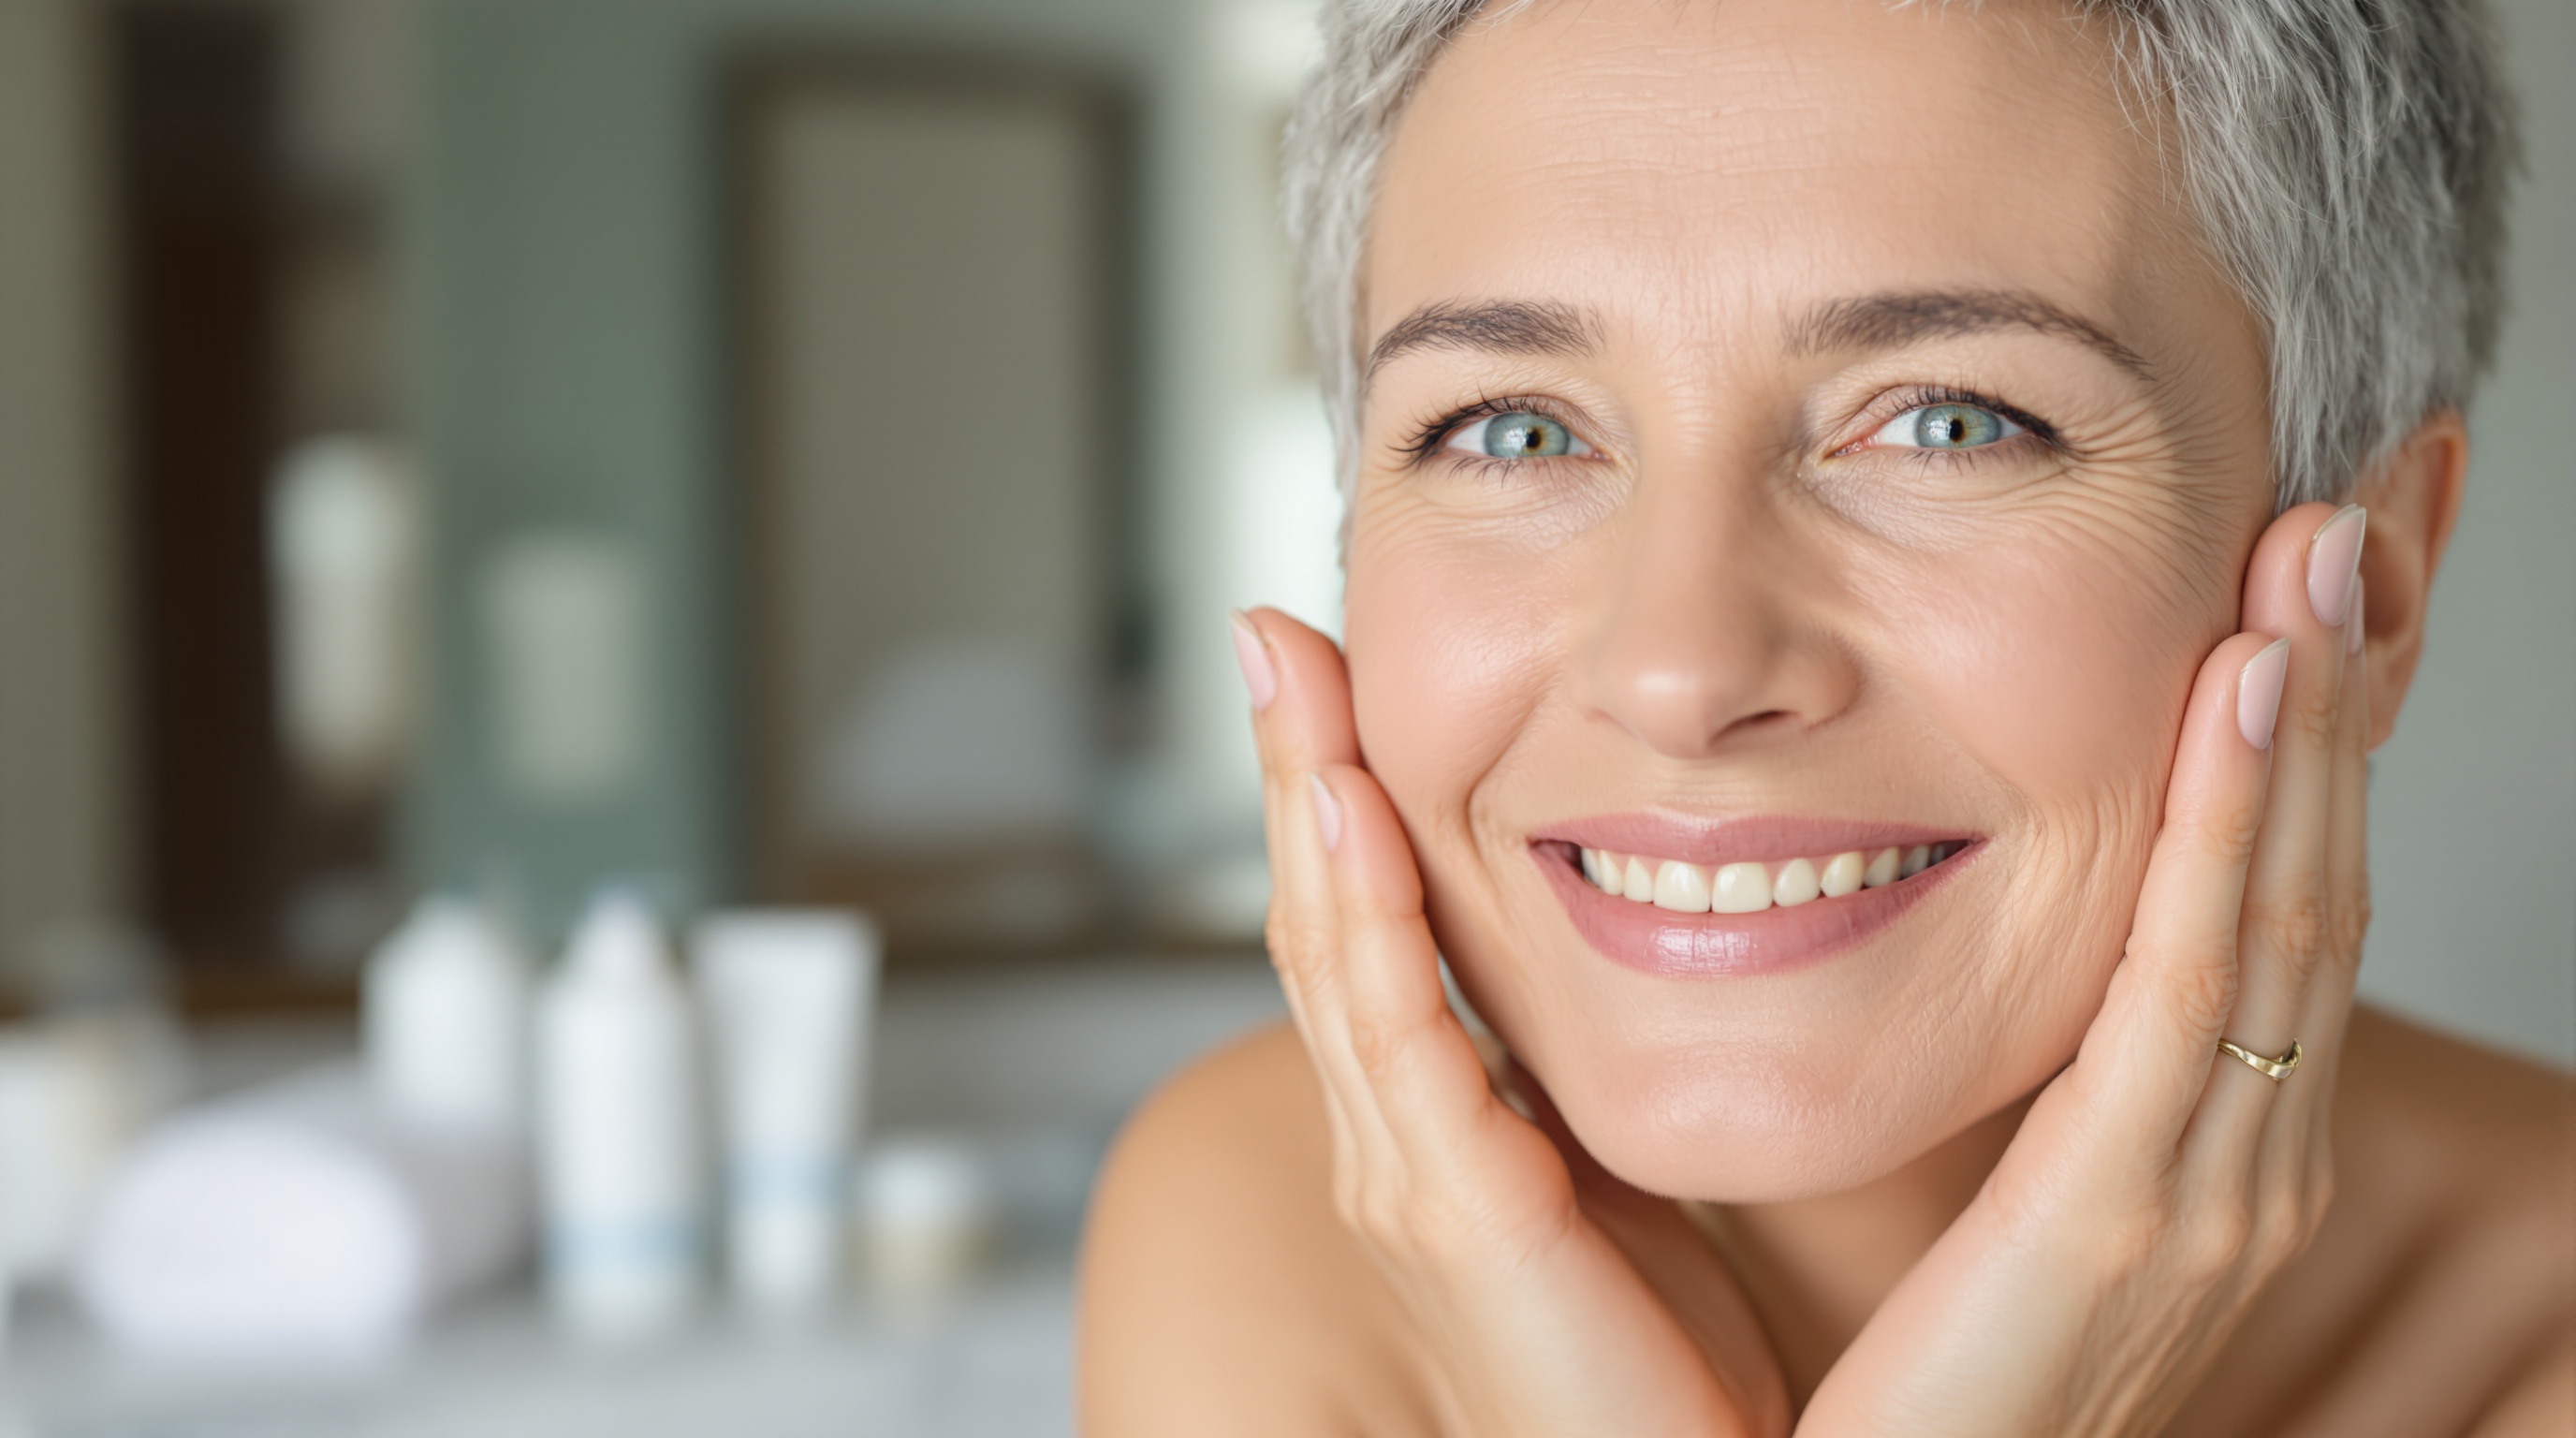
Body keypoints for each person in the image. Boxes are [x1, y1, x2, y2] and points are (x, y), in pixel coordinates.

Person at [1079, 0, 2574, 1431]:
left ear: (2366, 594)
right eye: (1513, 430)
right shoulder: (1257, 1233)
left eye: (1949, 422)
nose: (1682, 671)